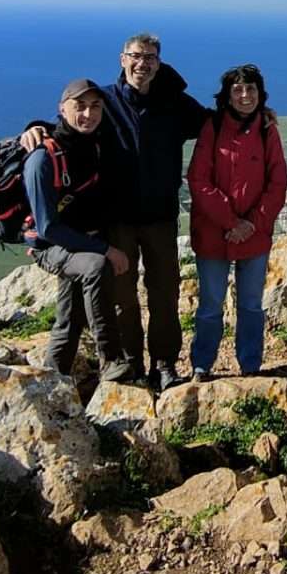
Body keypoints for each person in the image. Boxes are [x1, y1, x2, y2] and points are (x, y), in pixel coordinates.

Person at [97, 33, 211, 391]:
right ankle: (130, 362)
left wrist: (264, 117)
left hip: (160, 217)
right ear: (121, 59)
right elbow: (68, 124)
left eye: (149, 58)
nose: (141, 64)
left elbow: (214, 122)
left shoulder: (173, 102)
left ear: (160, 65)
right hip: (117, 220)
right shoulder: (103, 101)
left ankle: (163, 363)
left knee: (165, 293)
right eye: (135, 56)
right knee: (123, 296)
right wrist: (33, 129)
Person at [24, 78, 132, 379]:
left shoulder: (95, 143)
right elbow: (47, 228)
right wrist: (106, 249)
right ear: (63, 109)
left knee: (69, 318)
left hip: (80, 241)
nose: (88, 113)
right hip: (52, 245)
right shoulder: (43, 158)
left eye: (95, 106)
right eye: (79, 106)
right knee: (96, 266)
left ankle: (53, 379)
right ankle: (111, 359)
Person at [187, 64, 287, 383]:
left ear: (261, 94)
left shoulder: (267, 130)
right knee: (211, 304)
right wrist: (231, 220)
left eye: (252, 90)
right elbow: (198, 179)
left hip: (254, 234)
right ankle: (202, 364)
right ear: (227, 95)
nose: (245, 96)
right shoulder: (212, 127)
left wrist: (252, 224)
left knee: (251, 305)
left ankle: (250, 365)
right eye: (238, 90)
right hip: (214, 231)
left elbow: (277, 182)